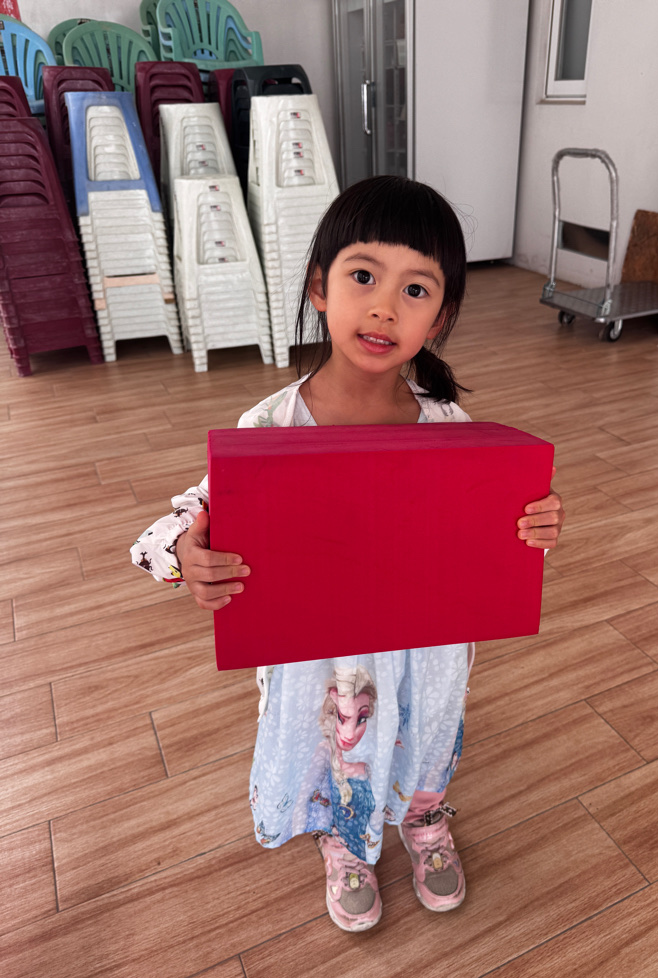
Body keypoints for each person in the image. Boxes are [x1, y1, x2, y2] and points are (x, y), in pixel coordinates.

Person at [131, 175, 565, 933]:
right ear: (320, 287)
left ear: (440, 317)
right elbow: (166, 535)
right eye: (363, 275)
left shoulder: (452, 427)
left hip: (425, 648)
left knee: (424, 732)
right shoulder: (269, 426)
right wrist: (187, 556)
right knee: (340, 744)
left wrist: (532, 525)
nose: (384, 306)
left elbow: (489, 538)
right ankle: (346, 840)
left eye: (416, 289)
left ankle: (423, 816)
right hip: (323, 658)